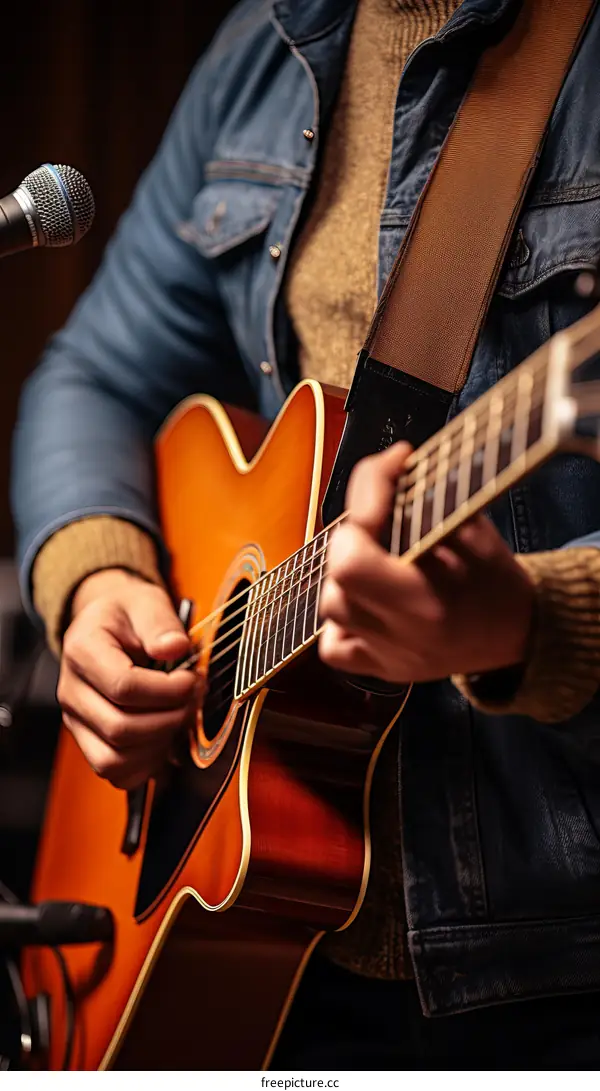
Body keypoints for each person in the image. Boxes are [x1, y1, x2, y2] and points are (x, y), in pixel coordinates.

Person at [11, 0, 600, 1070]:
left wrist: (530, 618)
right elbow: (93, 371)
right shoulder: (265, 49)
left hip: (545, 972)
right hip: (261, 962)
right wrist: (100, 580)